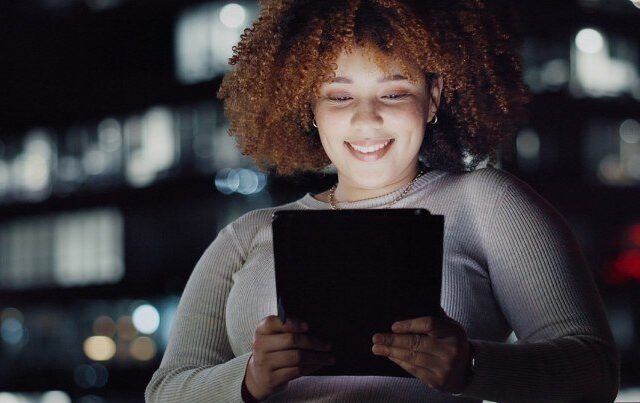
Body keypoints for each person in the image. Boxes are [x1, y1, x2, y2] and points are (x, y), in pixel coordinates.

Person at [145, 0, 620, 402]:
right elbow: (164, 391)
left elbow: (595, 370)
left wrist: (473, 364)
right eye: (338, 96)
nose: (366, 120)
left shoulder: (488, 203)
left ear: (433, 98)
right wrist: (247, 379)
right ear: (308, 109)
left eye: (394, 93)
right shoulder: (247, 235)